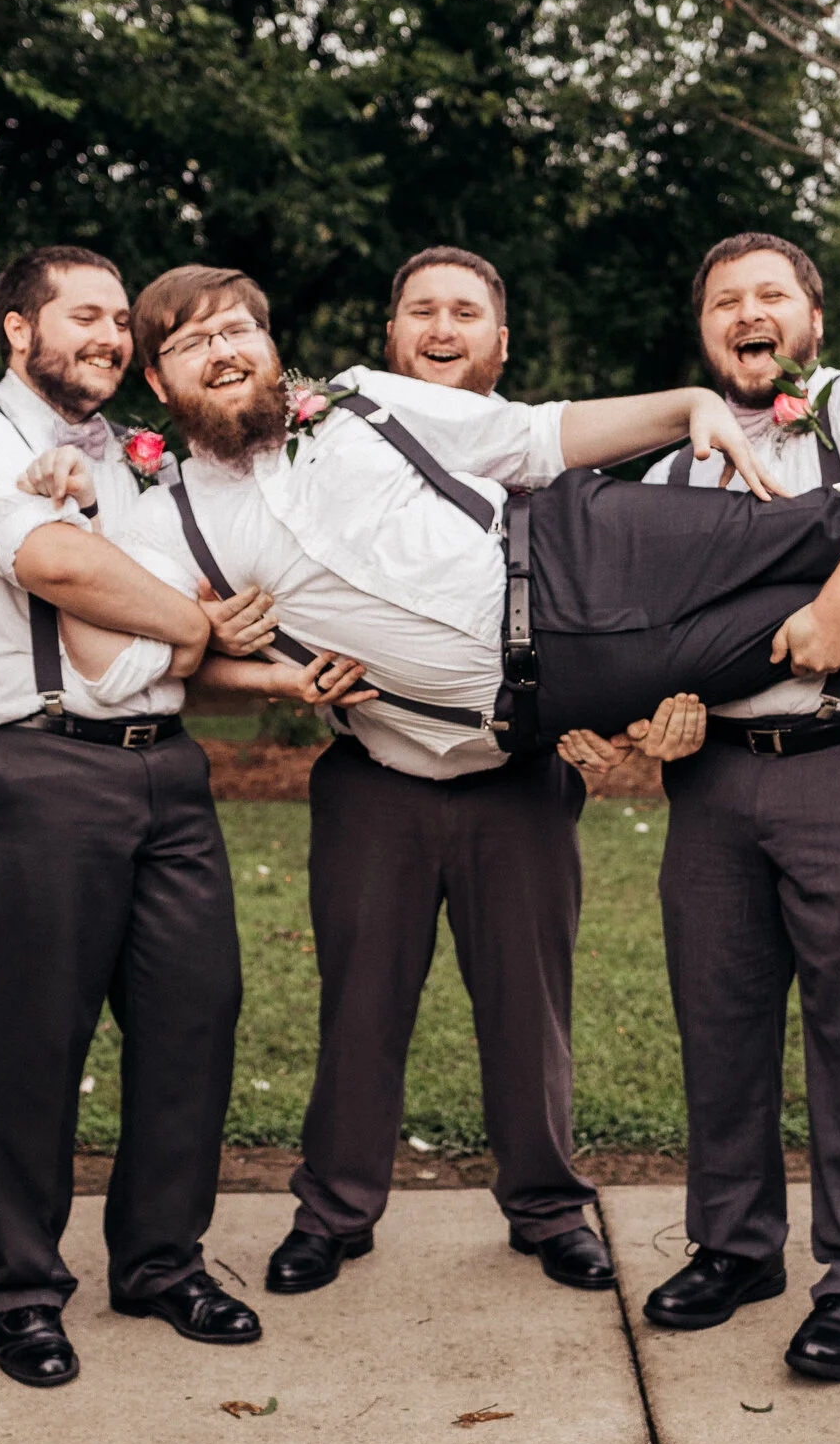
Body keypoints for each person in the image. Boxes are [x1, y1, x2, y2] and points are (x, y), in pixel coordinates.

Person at [20, 270, 840, 773]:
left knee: (829, 529)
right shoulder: (160, 522)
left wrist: (684, 405)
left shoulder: (357, 397)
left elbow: (534, 435)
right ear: (159, 382)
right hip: (555, 678)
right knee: (839, 624)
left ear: (269, 341)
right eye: (195, 342)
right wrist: (261, 668)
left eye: (240, 326)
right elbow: (127, 667)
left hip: (571, 546)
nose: (227, 348)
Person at [562, 232, 840, 1384]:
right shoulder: (675, 471)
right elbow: (644, 633)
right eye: (724, 300)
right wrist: (653, 715)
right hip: (713, 781)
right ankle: (735, 1243)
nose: (747, 313)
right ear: (703, 329)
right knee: (720, 1018)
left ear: (813, 316)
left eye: (770, 294)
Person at [0, 247, 354, 1390]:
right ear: (20, 329)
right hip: (31, 762)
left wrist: (259, 667)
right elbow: (58, 564)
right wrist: (200, 624)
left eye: (119, 320)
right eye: (84, 315)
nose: (109, 335)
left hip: (166, 765)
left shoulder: (132, 459)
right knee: (33, 1036)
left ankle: (160, 1260)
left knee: (193, 1015)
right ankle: (24, 1290)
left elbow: (167, 627)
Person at [226, 246, 615, 1297]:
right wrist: (272, 661)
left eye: (465, 312)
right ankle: (333, 1209)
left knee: (530, 1007)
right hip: (374, 775)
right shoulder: (330, 450)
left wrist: (605, 713)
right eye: (421, 311)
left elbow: (607, 617)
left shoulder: (548, 462)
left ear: (502, 341)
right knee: (360, 1005)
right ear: (390, 334)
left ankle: (548, 1206)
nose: (442, 328)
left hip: (516, 780)